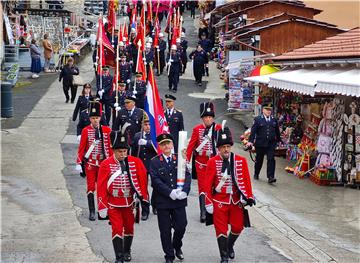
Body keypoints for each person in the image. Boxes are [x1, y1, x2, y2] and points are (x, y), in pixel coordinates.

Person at [204, 124, 255, 263]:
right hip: (219, 201)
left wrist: (248, 196)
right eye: (223, 147)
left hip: (236, 201)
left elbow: (246, 180)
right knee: (220, 229)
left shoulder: (240, 161)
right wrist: (208, 202)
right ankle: (223, 256)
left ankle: (229, 245)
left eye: (228, 146)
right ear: (218, 149)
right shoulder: (212, 162)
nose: (226, 149)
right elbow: (207, 185)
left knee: (238, 227)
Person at [97, 129, 149, 263]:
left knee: (129, 228)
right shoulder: (106, 164)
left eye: (124, 151)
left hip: (130, 203)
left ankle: (127, 251)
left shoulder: (135, 162)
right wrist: (102, 206)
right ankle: (118, 257)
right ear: (113, 150)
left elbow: (143, 180)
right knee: (117, 229)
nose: (122, 154)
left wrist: (144, 199)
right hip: (113, 203)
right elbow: (101, 187)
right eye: (120, 151)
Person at [150, 133, 191, 263]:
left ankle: (177, 246)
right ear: (160, 147)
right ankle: (169, 255)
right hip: (163, 201)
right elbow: (155, 181)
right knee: (165, 230)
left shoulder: (180, 158)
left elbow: (188, 175)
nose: (166, 146)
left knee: (181, 226)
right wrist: (170, 192)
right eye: (163, 144)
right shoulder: (155, 162)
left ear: (172, 144)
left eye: (168, 143)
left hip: (179, 200)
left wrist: (185, 191)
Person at [76, 100, 112, 221]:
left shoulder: (107, 130)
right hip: (91, 164)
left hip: (103, 164)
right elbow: (81, 148)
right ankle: (92, 211)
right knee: (91, 187)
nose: (95, 120)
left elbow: (111, 148)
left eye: (97, 117)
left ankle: (104, 210)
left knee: (104, 187)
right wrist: (79, 162)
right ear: (90, 119)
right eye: (93, 118)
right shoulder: (86, 130)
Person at [186, 102, 221, 223]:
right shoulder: (197, 129)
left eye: (210, 117)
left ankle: (212, 210)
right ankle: (203, 212)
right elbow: (191, 146)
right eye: (206, 117)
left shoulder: (218, 128)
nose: (208, 119)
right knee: (202, 187)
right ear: (202, 118)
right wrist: (187, 161)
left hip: (214, 163)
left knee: (214, 186)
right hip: (201, 163)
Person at [131, 112, 158, 220]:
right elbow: (133, 152)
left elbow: (158, 148)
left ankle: (155, 205)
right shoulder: (138, 136)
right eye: (145, 124)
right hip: (141, 165)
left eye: (149, 124)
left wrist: (147, 143)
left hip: (154, 165)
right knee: (142, 188)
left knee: (156, 186)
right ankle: (145, 210)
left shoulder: (155, 135)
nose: (147, 126)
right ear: (142, 125)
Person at [247, 103, 281, 184]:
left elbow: (277, 132)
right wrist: (250, 142)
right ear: (263, 110)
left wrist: (279, 140)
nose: (269, 111)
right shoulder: (258, 119)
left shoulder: (274, 120)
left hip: (271, 144)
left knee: (271, 159)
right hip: (260, 143)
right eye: (267, 109)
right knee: (259, 159)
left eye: (270, 110)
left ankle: (270, 177)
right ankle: (256, 173)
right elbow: (253, 131)